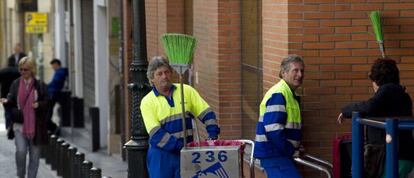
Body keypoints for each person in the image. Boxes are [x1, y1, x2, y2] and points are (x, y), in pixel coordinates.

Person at [140, 56, 220, 178]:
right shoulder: (147, 102)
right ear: (152, 79)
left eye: (166, 72)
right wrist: (180, 147)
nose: (164, 76)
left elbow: (207, 113)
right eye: (159, 74)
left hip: (187, 154)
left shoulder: (186, 91)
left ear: (171, 73)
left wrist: (212, 134)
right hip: (162, 157)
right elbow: (156, 134)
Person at [338, 58, 414, 178]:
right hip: (405, 155)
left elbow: (369, 106)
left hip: (391, 156)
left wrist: (345, 110)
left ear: (377, 80)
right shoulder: (404, 95)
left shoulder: (386, 90)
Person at [253, 54, 305, 178]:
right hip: (275, 155)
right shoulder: (279, 93)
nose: (300, 75)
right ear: (283, 73)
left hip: (277, 154)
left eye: (302, 71)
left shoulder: (288, 93)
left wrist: (295, 145)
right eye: (295, 70)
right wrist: (290, 149)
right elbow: (273, 128)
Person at [1, 57, 49, 178]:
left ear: (32, 70)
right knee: (21, 152)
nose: (23, 72)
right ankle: (21, 175)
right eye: (21, 69)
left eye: (25, 69)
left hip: (36, 126)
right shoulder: (16, 83)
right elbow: (11, 98)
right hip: (19, 125)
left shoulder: (40, 85)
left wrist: (39, 104)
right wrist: (7, 100)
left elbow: (47, 101)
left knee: (34, 157)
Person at [46, 58, 68, 134]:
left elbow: (55, 84)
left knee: (48, 111)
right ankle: (51, 127)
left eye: (53, 66)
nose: (52, 67)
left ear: (56, 64)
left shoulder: (60, 72)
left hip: (54, 94)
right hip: (52, 93)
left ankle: (52, 127)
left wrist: (47, 88)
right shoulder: (58, 72)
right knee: (49, 111)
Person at [0, 58, 21, 130]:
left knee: (7, 110)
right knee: (15, 109)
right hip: (16, 93)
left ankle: (8, 126)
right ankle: (14, 124)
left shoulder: (3, 71)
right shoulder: (18, 71)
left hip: (5, 94)